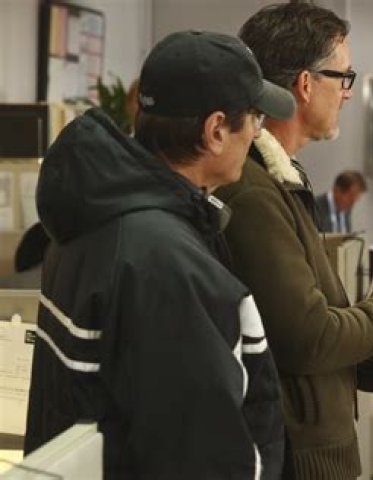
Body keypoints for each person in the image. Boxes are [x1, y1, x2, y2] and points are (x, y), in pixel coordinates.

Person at [24, 30, 296, 479]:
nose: (257, 132)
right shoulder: (165, 263)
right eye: (254, 118)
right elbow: (202, 455)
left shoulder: (99, 216)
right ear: (215, 131)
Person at [214, 4, 373, 478]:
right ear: (305, 84)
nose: (348, 93)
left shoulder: (279, 179)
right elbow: (306, 339)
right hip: (292, 454)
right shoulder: (253, 191)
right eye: (344, 77)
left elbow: (292, 329)